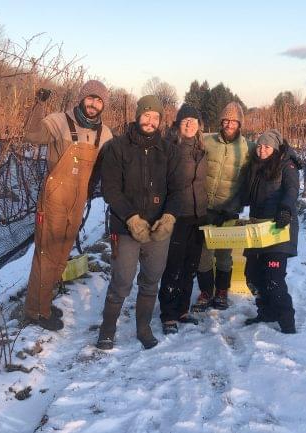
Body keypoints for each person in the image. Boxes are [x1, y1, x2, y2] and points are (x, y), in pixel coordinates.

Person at [23, 80, 113, 331]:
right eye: (90, 98)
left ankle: (43, 303)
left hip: (77, 203)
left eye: (98, 100)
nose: (93, 104)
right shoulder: (59, 121)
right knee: (46, 255)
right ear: (81, 98)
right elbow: (31, 135)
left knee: (61, 256)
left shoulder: (104, 133)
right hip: (54, 200)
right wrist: (38, 105)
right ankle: (35, 311)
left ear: (103, 104)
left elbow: (110, 166)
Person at [96, 95, 181, 350]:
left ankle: (143, 328)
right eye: (146, 115)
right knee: (122, 281)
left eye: (155, 117)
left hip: (158, 230)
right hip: (125, 228)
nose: (150, 121)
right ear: (137, 116)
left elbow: (178, 190)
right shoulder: (117, 147)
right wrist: (131, 218)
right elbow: (110, 188)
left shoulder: (169, 150)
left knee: (151, 280)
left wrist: (169, 216)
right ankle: (107, 329)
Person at [192, 102, 253, 311]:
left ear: (239, 124)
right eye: (225, 120)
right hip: (205, 210)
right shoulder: (208, 141)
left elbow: (269, 151)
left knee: (224, 256)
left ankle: (221, 292)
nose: (228, 124)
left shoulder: (247, 147)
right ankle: (206, 291)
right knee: (203, 255)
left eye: (233, 121)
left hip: (228, 210)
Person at [241, 129, 301, 334]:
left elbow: (292, 190)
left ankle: (287, 322)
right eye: (259, 146)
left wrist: (285, 209)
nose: (261, 150)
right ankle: (266, 311)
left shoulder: (287, 165)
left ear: (275, 149)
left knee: (273, 278)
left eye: (266, 146)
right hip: (258, 227)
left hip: (279, 227)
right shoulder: (256, 166)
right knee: (252, 275)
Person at [157, 104, 207, 334]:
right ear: (178, 124)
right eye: (185, 120)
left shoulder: (202, 148)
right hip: (177, 216)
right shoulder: (169, 148)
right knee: (173, 266)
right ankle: (168, 314)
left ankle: (182, 309)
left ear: (199, 126)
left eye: (193, 121)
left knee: (190, 266)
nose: (189, 124)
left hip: (198, 216)